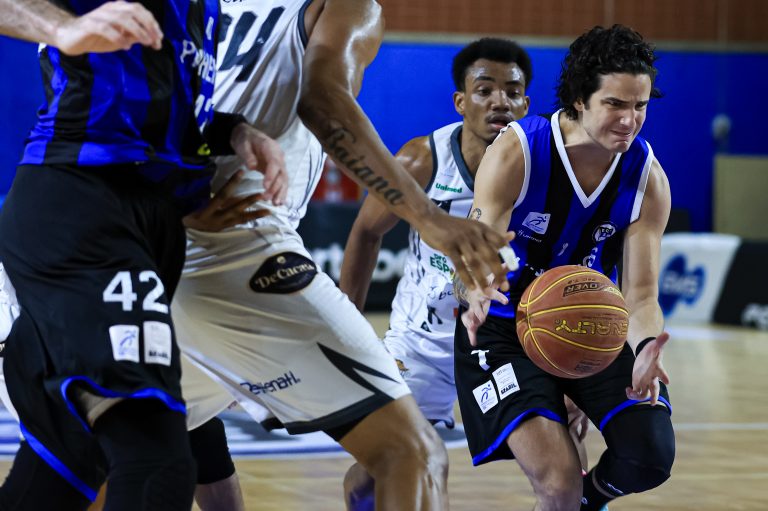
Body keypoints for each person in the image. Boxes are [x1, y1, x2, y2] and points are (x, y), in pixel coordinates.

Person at [170, 1, 518, 510]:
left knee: (140, 451)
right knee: (413, 454)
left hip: (153, 243)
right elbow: (322, 99)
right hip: (241, 246)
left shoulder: (200, 7)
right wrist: (428, 216)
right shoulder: (345, 6)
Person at [0, 1, 288, 510]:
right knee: (157, 461)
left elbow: (175, 114)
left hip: (145, 225)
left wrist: (236, 133)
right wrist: (63, 28)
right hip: (84, 201)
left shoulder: (207, 10)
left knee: (60, 472)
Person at [338, 38, 590, 510]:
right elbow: (365, 233)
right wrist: (346, 328)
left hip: (510, 340)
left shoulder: (551, 167)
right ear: (460, 101)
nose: (500, 102)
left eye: (512, 92)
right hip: (423, 345)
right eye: (485, 90)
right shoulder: (422, 160)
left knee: (567, 470)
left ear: (527, 104)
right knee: (378, 474)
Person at [454, 24, 676, 511]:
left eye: (640, 106)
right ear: (579, 98)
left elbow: (641, 296)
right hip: (501, 326)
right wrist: (474, 288)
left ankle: (588, 502)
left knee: (650, 454)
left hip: (589, 325)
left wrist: (643, 348)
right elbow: (475, 252)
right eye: (615, 104)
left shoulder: (648, 180)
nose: (629, 120)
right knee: (558, 483)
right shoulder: (518, 150)